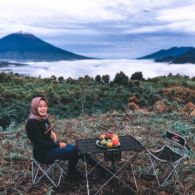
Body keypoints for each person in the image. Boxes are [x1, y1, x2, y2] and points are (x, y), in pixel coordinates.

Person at [26, 96, 107, 179]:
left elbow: (45, 131)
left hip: (50, 148)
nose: (43, 109)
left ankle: (102, 170)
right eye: (40, 106)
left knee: (78, 148)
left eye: (45, 106)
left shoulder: (43, 118)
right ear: (34, 107)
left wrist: (52, 133)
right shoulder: (32, 123)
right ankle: (72, 173)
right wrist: (58, 145)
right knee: (75, 150)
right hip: (42, 154)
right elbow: (39, 143)